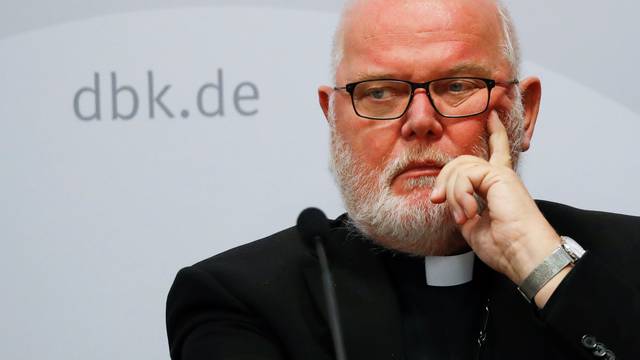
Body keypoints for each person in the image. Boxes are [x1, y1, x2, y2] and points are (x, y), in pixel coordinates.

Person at [166, 0, 639, 359]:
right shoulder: (237, 297)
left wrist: (542, 265)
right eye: (379, 92)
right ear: (332, 118)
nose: (420, 120)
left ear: (525, 113)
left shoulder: (630, 260)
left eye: (456, 86)